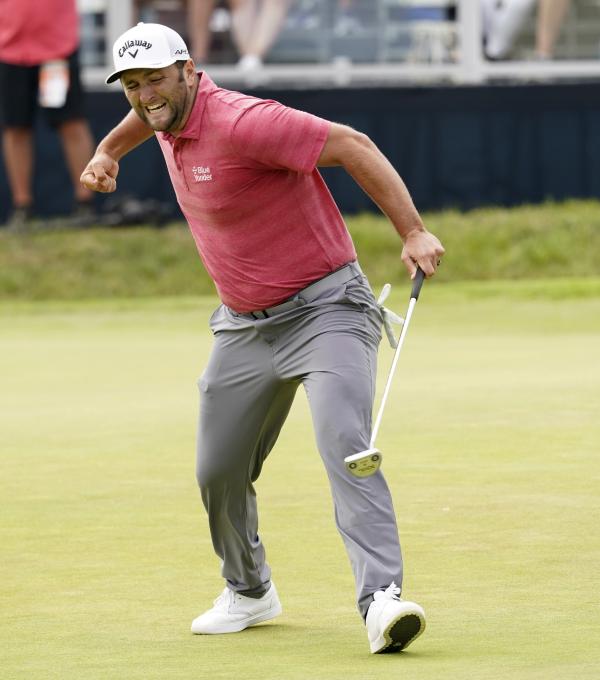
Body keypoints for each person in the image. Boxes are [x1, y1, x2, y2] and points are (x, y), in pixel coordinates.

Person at [80, 22, 445, 654]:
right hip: (242, 325)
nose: (144, 96)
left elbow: (353, 144)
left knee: (344, 445)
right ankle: (250, 592)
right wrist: (110, 151)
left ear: (188, 70)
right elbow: (146, 119)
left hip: (327, 308)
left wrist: (411, 231)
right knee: (218, 470)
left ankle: (381, 600)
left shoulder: (248, 122)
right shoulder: (161, 112)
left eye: (156, 80)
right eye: (132, 86)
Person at [0, 0, 96, 229]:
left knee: (72, 124)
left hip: (57, 48)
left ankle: (85, 203)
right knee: (15, 128)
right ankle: (22, 208)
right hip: (9, 48)